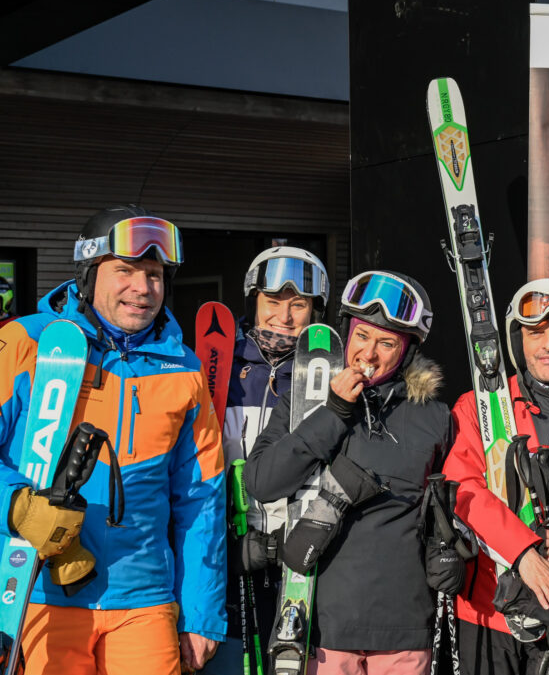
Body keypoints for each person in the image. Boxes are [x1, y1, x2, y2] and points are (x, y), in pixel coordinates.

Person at [0, 205, 226, 673]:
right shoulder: (26, 343)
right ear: (87, 274)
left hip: (145, 600)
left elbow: (201, 498)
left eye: (154, 274)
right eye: (125, 270)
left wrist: (201, 612)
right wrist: (15, 504)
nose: (142, 289)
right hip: (39, 593)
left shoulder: (184, 369)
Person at [244, 269, 451, 675]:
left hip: (404, 628)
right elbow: (262, 481)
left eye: (386, 343)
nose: (368, 354)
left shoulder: (434, 418)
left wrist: (451, 549)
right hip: (322, 628)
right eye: (362, 336)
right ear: (346, 334)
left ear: (407, 351)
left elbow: (451, 508)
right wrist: (335, 412)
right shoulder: (304, 400)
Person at [442, 278, 549, 675]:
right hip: (490, 609)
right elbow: (463, 489)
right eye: (535, 333)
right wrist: (523, 551)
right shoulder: (480, 409)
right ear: (518, 342)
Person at [205, 246, 329, 673]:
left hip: (300, 556)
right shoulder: (220, 369)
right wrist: (224, 543)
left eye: (299, 305)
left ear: (316, 310)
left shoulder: (327, 375)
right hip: (230, 549)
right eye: (273, 301)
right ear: (253, 301)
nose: (285, 316)